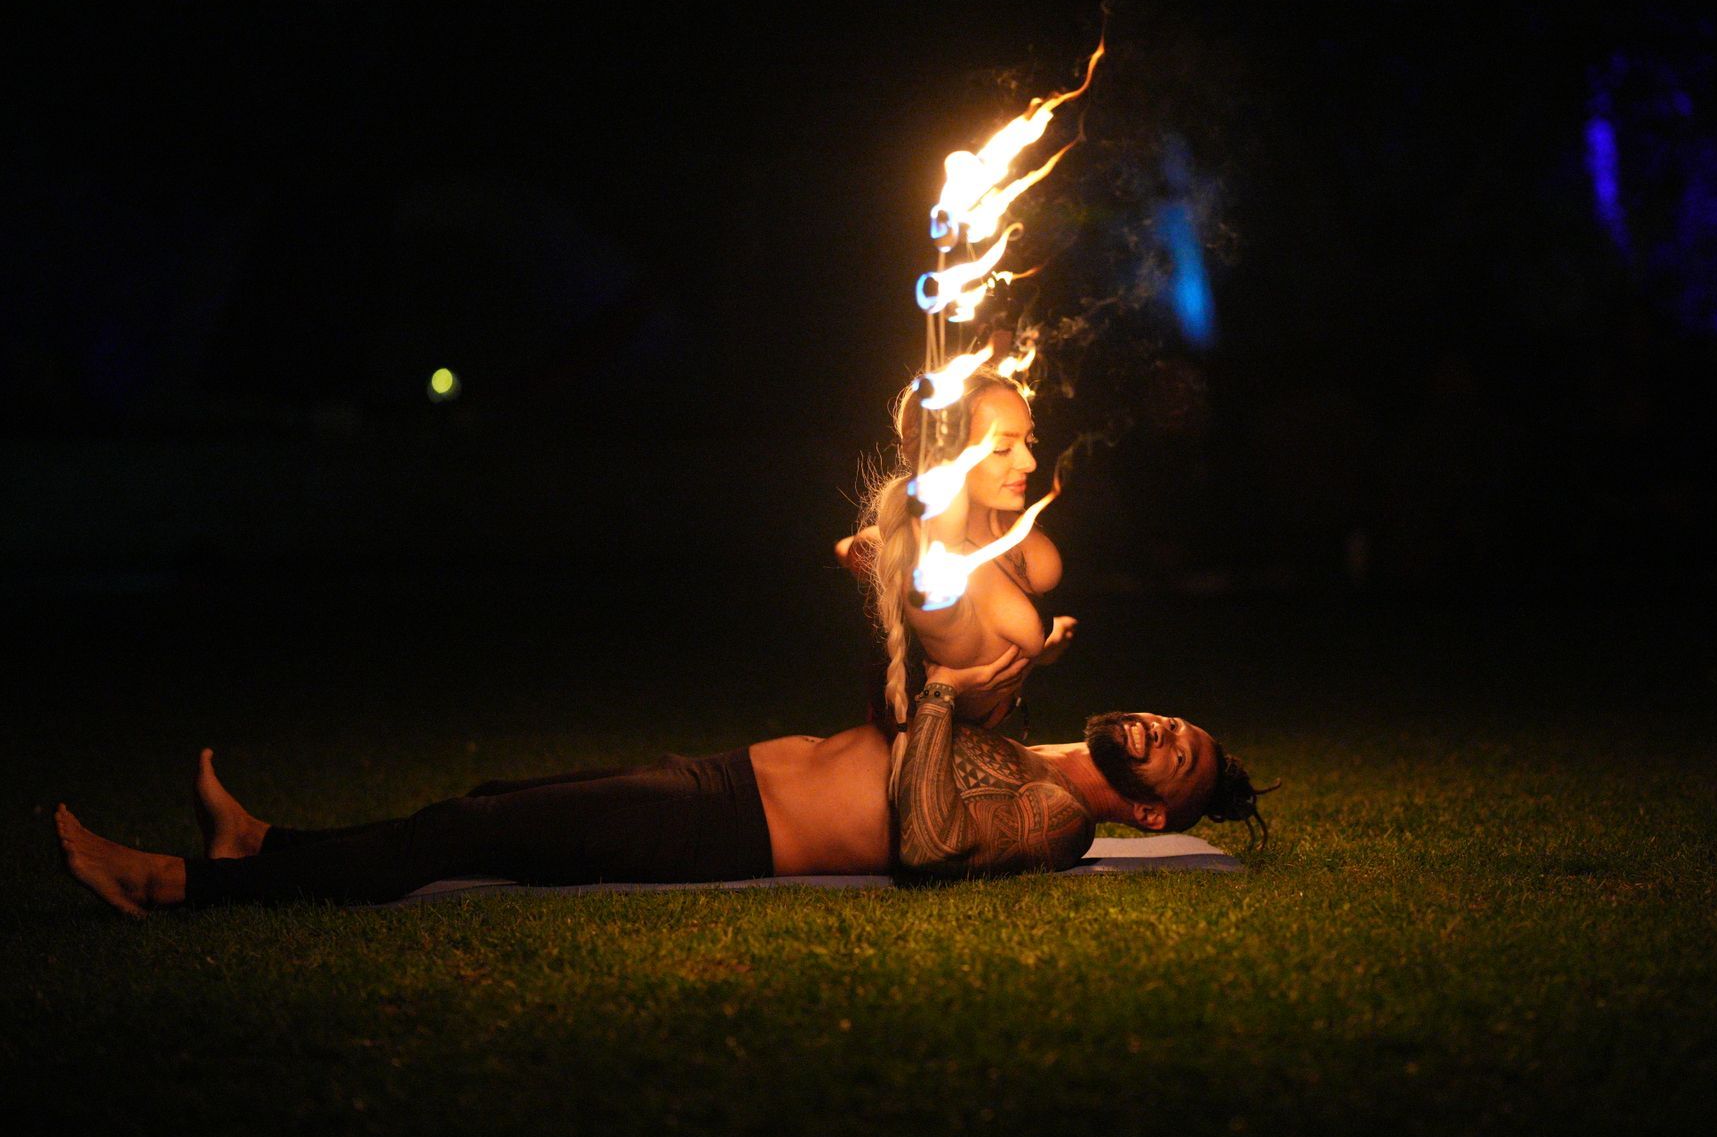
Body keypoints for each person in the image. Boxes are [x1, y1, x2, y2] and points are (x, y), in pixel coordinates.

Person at [54, 648, 1271, 915]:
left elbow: (927, 831)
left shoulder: (1056, 823)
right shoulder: (1035, 738)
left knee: (462, 831)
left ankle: (168, 882)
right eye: (1176, 715)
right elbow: (888, 729)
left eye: (1177, 749)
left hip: (722, 826)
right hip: (719, 774)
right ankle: (265, 841)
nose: (1161, 725)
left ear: (1153, 809)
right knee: (487, 804)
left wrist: (949, 696)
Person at [840, 370, 1076, 733]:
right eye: (1001, 447)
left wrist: (1047, 641)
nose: (1029, 462)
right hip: (942, 769)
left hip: (1009, 737)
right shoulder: (938, 583)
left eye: (1029, 440)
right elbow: (934, 546)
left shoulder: (1010, 527)